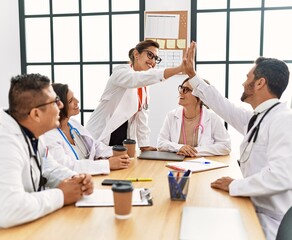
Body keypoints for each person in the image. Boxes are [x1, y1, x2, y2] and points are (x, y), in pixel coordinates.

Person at [185, 41, 292, 240]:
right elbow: (222, 106)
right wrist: (193, 76)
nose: (243, 83)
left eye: (247, 78)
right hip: (252, 207)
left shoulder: (283, 119)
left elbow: (282, 176)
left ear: (260, 83)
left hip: (268, 221)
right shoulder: (259, 118)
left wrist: (234, 185)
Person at [0, 74, 94, 228]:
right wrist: (62, 195)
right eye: (55, 102)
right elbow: (9, 209)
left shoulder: (33, 131)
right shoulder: (5, 142)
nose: (61, 106)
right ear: (36, 114)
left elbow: (48, 167)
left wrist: (76, 180)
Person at [86, 39, 195, 152]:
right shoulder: (121, 73)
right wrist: (179, 68)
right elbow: (137, 78)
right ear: (136, 54)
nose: (152, 61)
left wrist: (144, 145)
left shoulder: (143, 87)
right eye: (150, 55)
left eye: (155, 58)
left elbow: (142, 116)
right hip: (99, 136)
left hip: (120, 142)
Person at [44, 83, 130, 175]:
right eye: (70, 101)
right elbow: (67, 166)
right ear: (59, 106)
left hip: (91, 178)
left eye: (74, 97)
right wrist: (107, 164)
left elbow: (94, 145)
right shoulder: (49, 136)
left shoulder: (73, 124)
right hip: (73, 183)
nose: (77, 101)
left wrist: (117, 152)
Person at [157, 77, 231, 157]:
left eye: (186, 90)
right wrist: (179, 147)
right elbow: (161, 143)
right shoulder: (171, 116)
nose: (181, 92)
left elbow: (225, 146)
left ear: (200, 96)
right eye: (181, 88)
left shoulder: (212, 118)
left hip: (204, 165)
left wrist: (194, 151)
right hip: (177, 164)